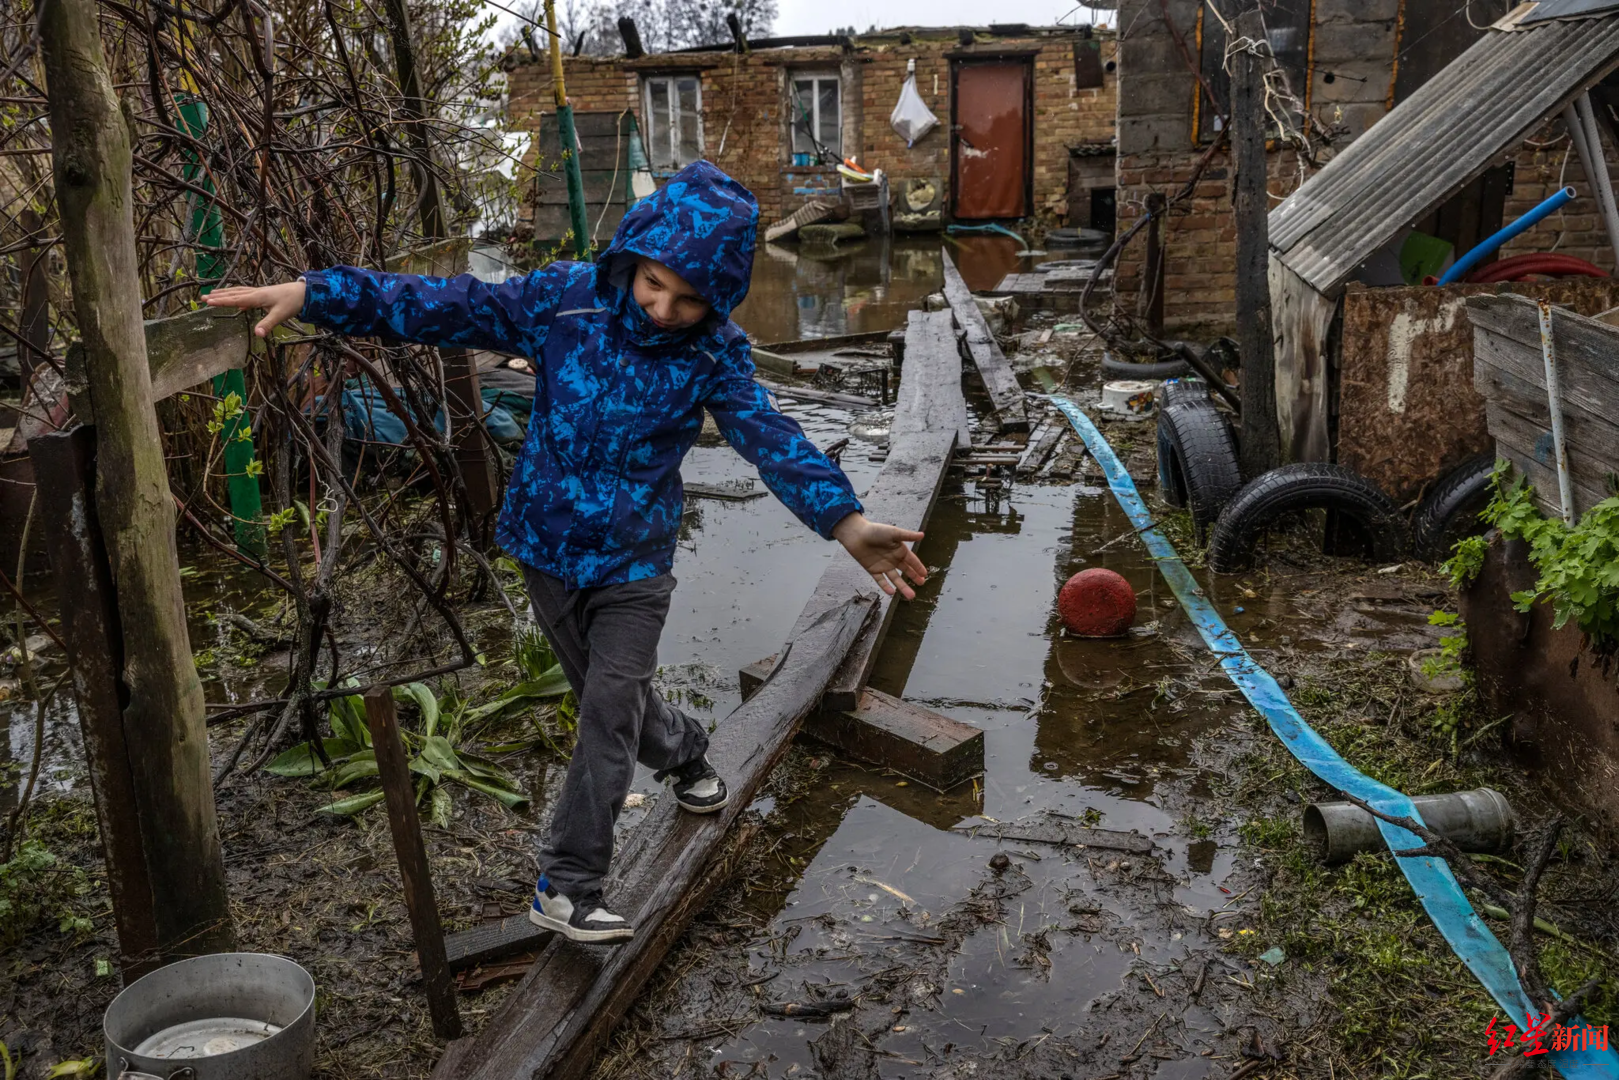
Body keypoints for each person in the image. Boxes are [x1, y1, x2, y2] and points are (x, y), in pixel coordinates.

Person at [205, 160, 928, 945]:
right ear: (633, 257)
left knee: (606, 711)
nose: (663, 310)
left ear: (718, 299)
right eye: (655, 284)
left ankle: (567, 885)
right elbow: (443, 304)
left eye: (690, 300)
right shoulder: (563, 302)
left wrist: (846, 521)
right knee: (611, 705)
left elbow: (770, 436)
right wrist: (316, 295)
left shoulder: (712, 353)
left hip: (634, 564)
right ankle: (684, 752)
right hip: (544, 549)